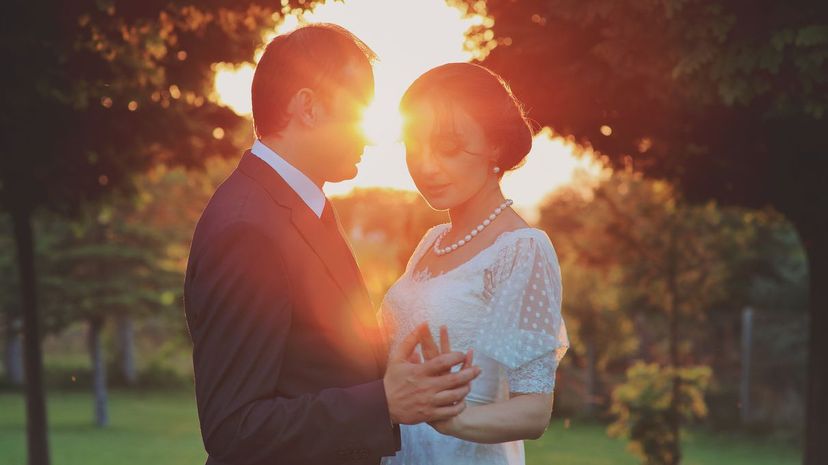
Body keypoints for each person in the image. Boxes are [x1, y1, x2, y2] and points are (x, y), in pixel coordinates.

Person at [184, 25, 480, 465]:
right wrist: (383, 403)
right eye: (361, 108)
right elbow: (233, 426)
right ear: (309, 107)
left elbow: (314, 364)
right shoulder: (248, 228)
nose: (371, 134)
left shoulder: (303, 204)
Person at [378, 62, 570, 465]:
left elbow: (533, 411)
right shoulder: (433, 241)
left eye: (447, 147)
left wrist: (455, 421)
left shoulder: (521, 249)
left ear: (495, 146)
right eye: (414, 145)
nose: (426, 165)